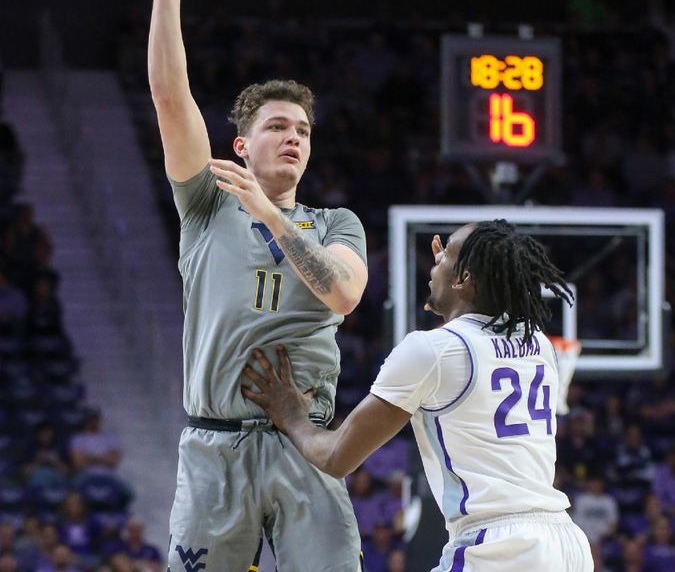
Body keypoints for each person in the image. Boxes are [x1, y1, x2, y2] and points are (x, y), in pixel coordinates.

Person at [148, 0, 368, 569]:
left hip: (307, 443)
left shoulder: (336, 222)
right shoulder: (206, 204)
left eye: (302, 130)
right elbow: (170, 97)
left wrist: (271, 214)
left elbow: (344, 293)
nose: (293, 137)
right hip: (215, 443)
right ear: (240, 146)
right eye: (276, 126)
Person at [244, 220, 593, 571]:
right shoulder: (539, 343)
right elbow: (474, 328)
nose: (434, 261)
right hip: (566, 542)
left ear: (465, 279)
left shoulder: (433, 351)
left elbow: (337, 457)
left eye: (444, 257)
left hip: (498, 547)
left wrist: (292, 416)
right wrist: (452, 292)